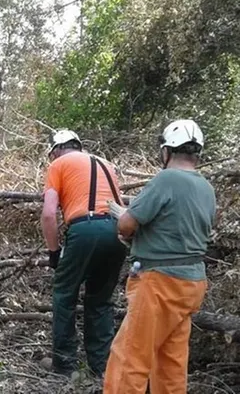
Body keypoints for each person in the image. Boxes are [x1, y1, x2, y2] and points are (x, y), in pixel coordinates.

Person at [103, 119, 215, 394]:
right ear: (196, 152)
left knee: (130, 358)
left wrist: (125, 223)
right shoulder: (206, 188)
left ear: (167, 151)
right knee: (170, 363)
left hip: (159, 283)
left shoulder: (166, 179)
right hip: (191, 283)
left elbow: (127, 224)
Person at [41, 130, 127, 378]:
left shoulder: (58, 164)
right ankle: (101, 368)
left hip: (85, 228)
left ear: (56, 150)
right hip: (117, 230)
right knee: (100, 300)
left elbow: (48, 213)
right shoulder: (106, 165)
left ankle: (65, 365)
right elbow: (121, 208)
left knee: (64, 294)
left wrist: (54, 251)